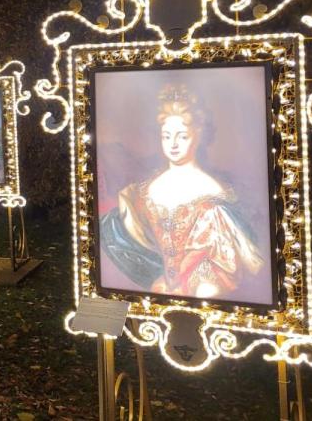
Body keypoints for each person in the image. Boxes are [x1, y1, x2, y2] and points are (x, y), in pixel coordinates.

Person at [100, 84, 264, 299]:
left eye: (182, 136)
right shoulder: (140, 192)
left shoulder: (215, 199)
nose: (173, 144)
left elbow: (220, 271)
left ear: (199, 135)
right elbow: (125, 244)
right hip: (153, 295)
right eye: (166, 136)